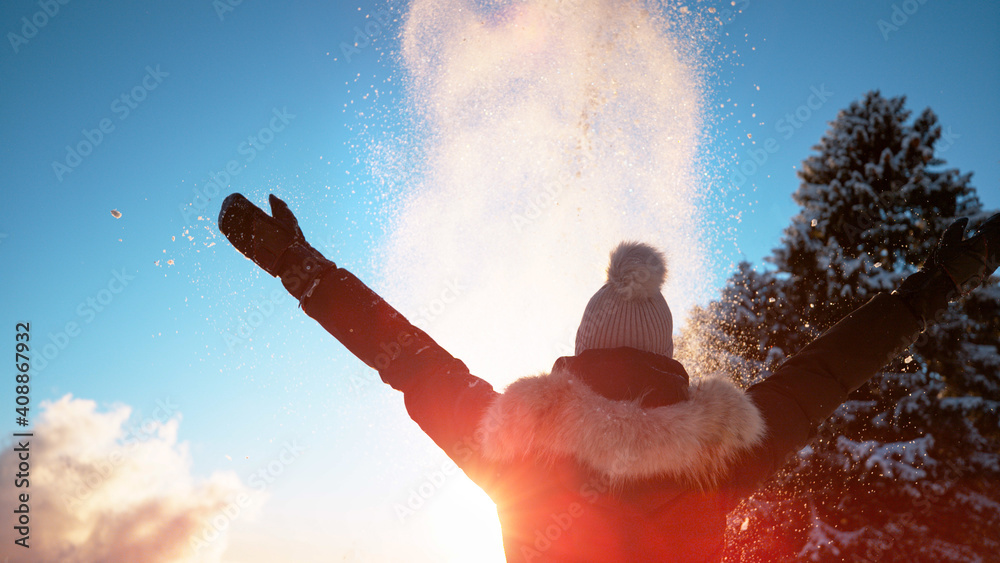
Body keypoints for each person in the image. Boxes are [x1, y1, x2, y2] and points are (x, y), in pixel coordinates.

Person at [218, 193, 999, 562]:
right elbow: (835, 363)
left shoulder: (511, 441)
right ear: (666, 357)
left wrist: (302, 268)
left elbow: (405, 357)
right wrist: (943, 277)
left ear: (581, 350)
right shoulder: (723, 451)